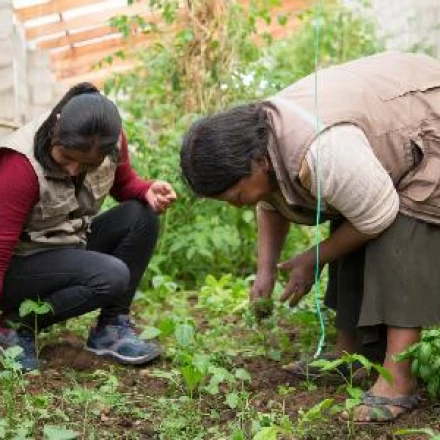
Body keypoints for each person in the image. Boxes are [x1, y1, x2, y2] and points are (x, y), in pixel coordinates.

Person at [180, 51, 440, 423]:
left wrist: (313, 257)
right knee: (350, 223)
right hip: (387, 118)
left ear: (258, 163)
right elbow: (270, 200)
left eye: (236, 196)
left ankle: (399, 380)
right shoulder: (260, 141)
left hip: (427, 117)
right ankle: (350, 355)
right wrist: (266, 271)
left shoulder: (322, 152)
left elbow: (378, 213)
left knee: (399, 231)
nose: (238, 205)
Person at [0, 82, 176, 371]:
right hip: (19, 268)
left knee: (141, 215)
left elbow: (124, 183)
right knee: (111, 275)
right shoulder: (20, 165)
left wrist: (145, 190)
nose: (73, 170)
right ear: (57, 129)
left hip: (66, 248)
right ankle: (11, 328)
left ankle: (110, 329)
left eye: (87, 165)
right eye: (66, 158)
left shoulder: (111, 142)